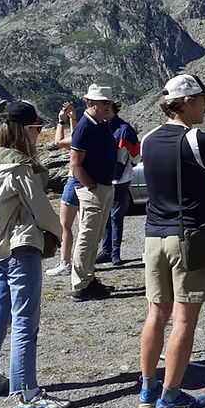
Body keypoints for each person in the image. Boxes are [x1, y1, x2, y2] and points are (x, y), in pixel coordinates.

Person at [138, 74, 205, 408]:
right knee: (184, 320)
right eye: (203, 99)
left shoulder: (148, 139)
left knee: (156, 314)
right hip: (190, 236)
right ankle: (172, 397)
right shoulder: (200, 140)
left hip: (153, 236)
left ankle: (148, 387)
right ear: (189, 102)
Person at [0, 100, 71, 408]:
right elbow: (40, 208)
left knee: (0, 310)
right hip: (21, 245)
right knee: (25, 319)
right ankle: (28, 393)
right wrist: (62, 234)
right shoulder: (19, 168)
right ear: (22, 130)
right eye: (36, 127)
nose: (39, 133)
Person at [69, 84, 118, 301]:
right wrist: (90, 186)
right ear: (91, 104)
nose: (108, 106)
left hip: (103, 185)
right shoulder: (84, 127)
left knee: (95, 236)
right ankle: (80, 284)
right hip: (93, 188)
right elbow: (75, 163)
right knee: (88, 236)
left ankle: (88, 278)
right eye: (103, 103)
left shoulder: (100, 124)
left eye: (108, 102)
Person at [96, 101, 141, 266]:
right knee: (107, 215)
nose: (105, 111)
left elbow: (136, 155)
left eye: (108, 108)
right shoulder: (101, 127)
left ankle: (114, 253)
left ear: (114, 110)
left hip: (119, 178)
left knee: (116, 215)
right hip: (105, 178)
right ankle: (107, 252)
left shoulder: (124, 130)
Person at [46, 100, 78, 277]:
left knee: (65, 224)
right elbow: (77, 135)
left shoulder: (82, 134)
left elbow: (58, 142)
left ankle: (65, 262)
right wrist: (73, 118)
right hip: (88, 181)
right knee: (85, 224)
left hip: (74, 180)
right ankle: (83, 261)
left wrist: (61, 121)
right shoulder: (95, 131)